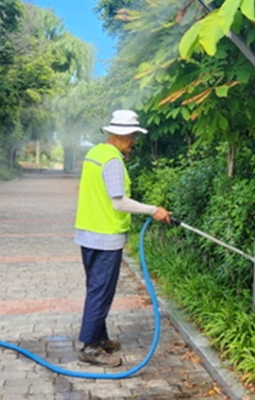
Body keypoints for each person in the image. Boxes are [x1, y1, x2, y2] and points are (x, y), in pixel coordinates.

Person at [74, 109, 171, 367]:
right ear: (120, 134)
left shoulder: (96, 153)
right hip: (105, 235)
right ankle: (90, 347)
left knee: (96, 289)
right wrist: (154, 210)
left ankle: (100, 337)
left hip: (87, 232)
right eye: (132, 136)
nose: (134, 141)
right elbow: (119, 202)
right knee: (101, 292)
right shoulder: (113, 160)